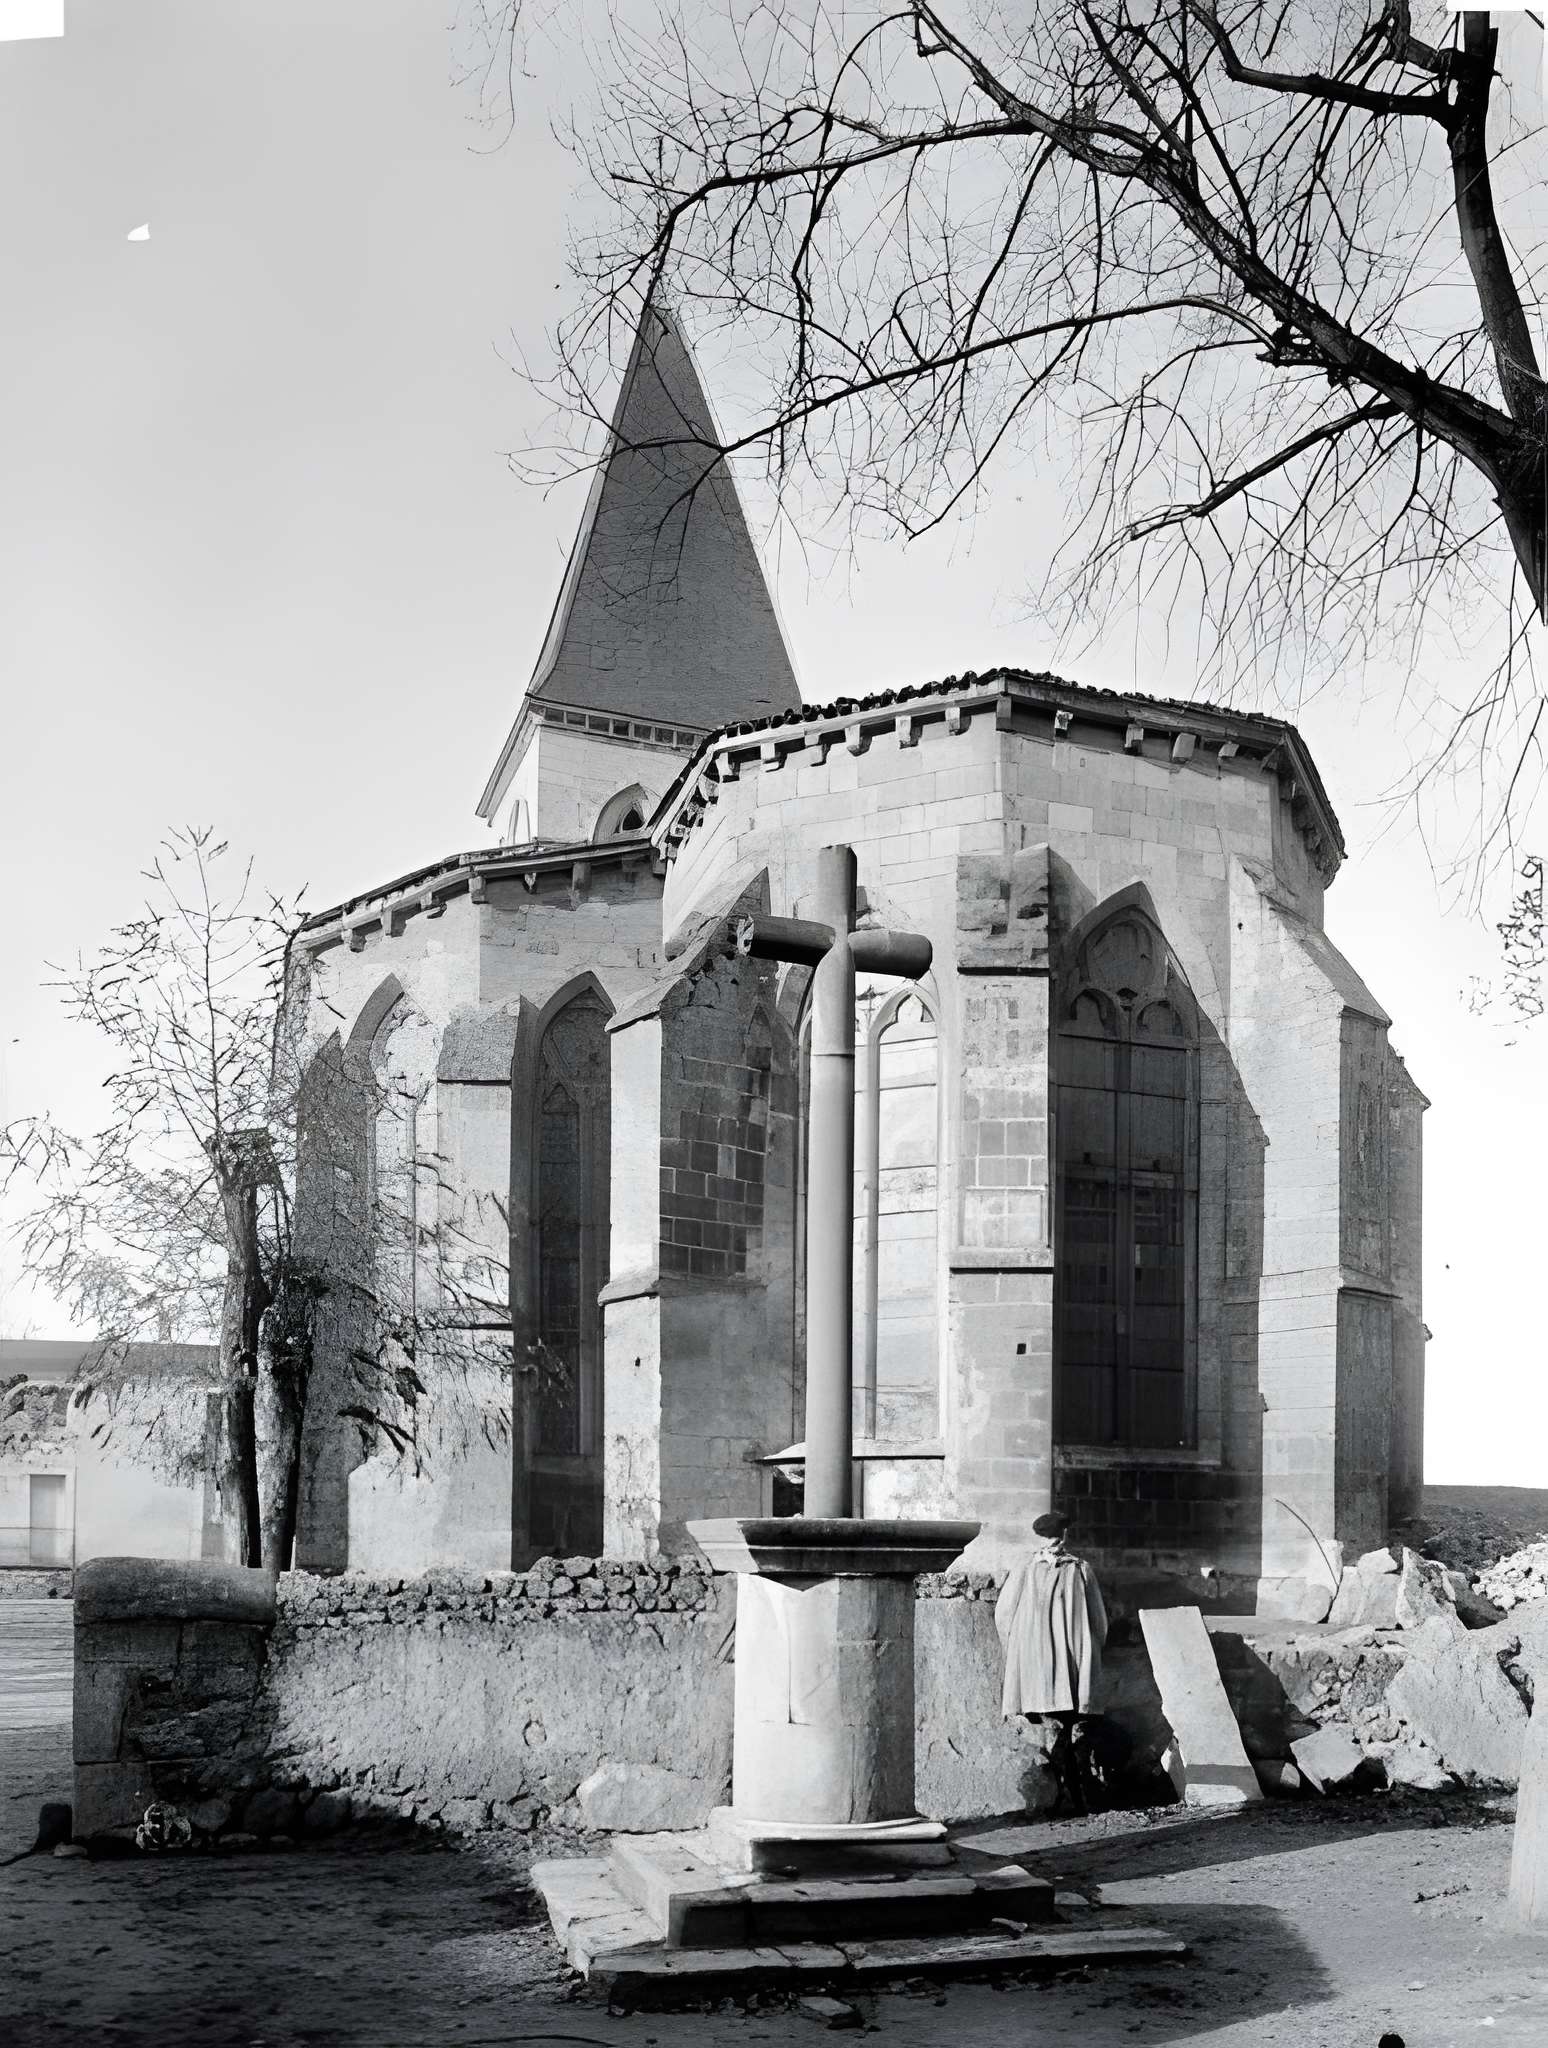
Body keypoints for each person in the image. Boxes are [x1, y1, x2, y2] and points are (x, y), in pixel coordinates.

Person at [994, 1510, 1109, 1814]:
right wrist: (1089, 1656)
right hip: (1066, 1665)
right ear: (1066, 1534)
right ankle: (1069, 1795)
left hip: (1042, 1666)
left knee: (1059, 1730)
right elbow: (1099, 1624)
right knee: (1063, 1731)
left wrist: (1018, 1654)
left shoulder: (1043, 1568)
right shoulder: (1077, 1569)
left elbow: (1004, 1616)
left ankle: (1068, 1795)